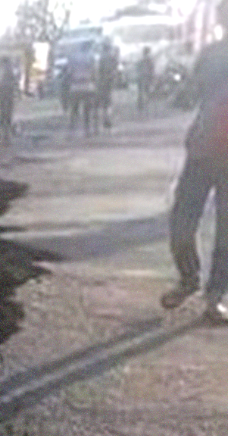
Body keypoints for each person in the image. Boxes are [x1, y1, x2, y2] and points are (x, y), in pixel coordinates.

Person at [165, 0, 228, 322]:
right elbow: (189, 95)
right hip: (202, 150)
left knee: (226, 234)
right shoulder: (210, 55)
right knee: (181, 225)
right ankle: (188, 278)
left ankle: (215, 297)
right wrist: (180, 91)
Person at [66, 39, 99, 136]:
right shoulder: (91, 57)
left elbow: (69, 71)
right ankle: (87, 130)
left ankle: (71, 130)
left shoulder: (73, 57)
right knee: (87, 110)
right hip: (88, 85)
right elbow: (95, 71)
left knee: (74, 109)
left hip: (75, 85)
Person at [0, 56, 19, 142]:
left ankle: (3, 132)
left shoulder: (0, 71)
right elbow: (15, 82)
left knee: (3, 112)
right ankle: (6, 132)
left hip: (3, 94)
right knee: (7, 112)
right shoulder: (10, 70)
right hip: (8, 94)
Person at [97, 39, 119, 130]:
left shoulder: (101, 57)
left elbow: (99, 70)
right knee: (109, 102)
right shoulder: (111, 56)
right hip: (110, 80)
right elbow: (116, 67)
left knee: (104, 102)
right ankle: (108, 119)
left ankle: (105, 119)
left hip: (102, 81)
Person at [137, 46, 155, 114]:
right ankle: (145, 107)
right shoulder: (149, 60)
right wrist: (152, 78)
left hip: (141, 78)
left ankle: (141, 107)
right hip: (146, 78)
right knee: (146, 93)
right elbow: (152, 70)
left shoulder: (141, 60)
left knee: (141, 93)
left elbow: (137, 69)